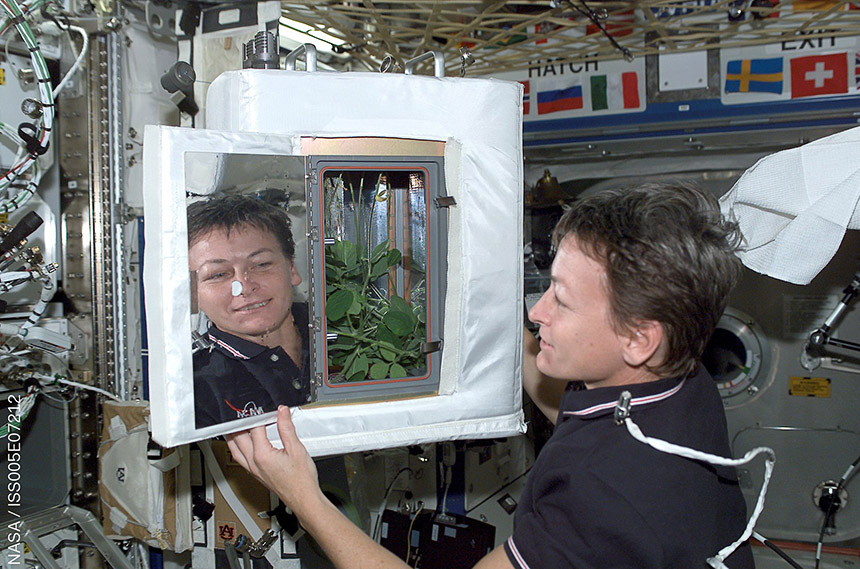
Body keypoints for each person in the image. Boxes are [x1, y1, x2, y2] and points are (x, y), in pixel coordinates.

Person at [225, 182, 755, 568]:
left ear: (640, 338)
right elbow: (575, 416)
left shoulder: (600, 497)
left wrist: (302, 496)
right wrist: (475, 282)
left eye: (562, 302)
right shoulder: (681, 383)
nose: (538, 312)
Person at [187, 194, 310, 429]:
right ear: (194, 295)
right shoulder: (196, 388)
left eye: (261, 265)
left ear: (292, 269)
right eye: (218, 274)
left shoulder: (344, 334)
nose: (244, 287)